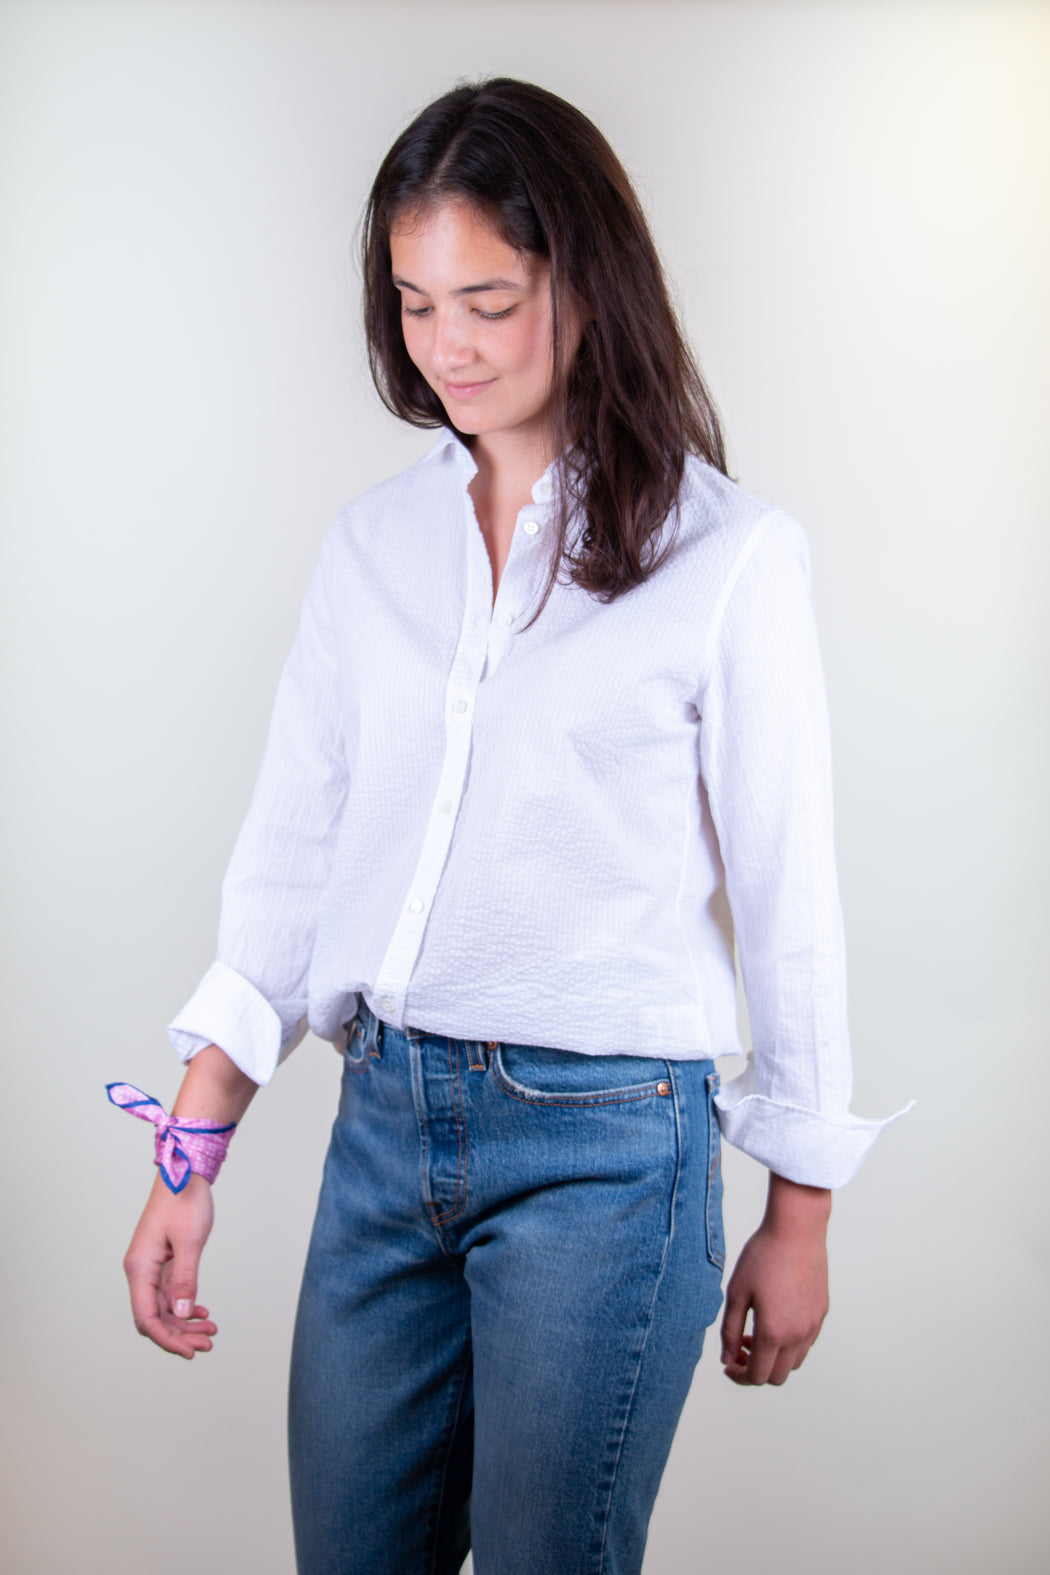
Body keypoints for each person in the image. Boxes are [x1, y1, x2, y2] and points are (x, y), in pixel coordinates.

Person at [116, 78, 905, 1575]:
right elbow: (289, 870)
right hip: (384, 1134)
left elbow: (788, 896)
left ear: (584, 285)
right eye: (415, 305)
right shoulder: (371, 550)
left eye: (488, 299)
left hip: (606, 1156)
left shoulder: (728, 559)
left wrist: (798, 1214)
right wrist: (188, 1153)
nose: (448, 347)